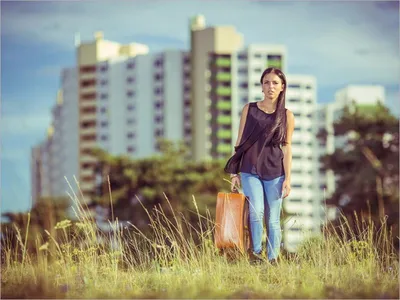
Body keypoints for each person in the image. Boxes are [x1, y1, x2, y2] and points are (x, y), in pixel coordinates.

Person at [224, 67, 295, 265]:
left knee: (273, 218)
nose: (270, 86)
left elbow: (287, 149)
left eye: (275, 83)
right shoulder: (249, 109)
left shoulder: (287, 116)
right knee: (256, 212)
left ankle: (273, 258)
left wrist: (288, 179)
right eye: (266, 82)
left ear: (282, 88)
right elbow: (239, 141)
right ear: (262, 86)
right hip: (250, 170)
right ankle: (256, 254)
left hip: (275, 172)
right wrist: (234, 172)